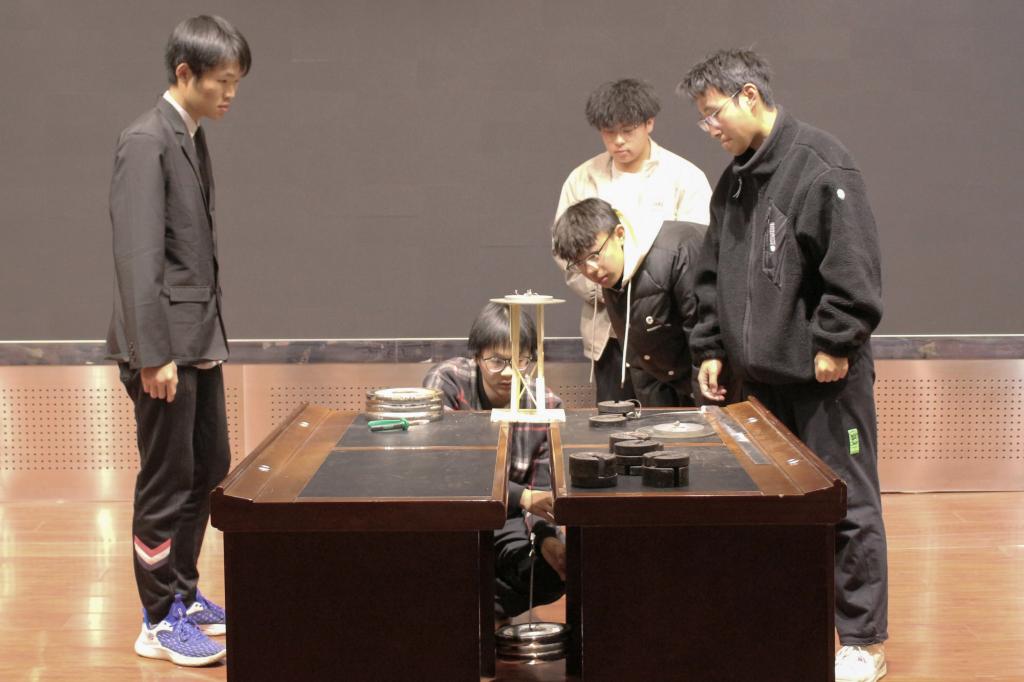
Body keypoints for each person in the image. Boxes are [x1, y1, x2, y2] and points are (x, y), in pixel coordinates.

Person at [678, 49, 888, 682]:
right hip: (759, 383)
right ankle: (784, 625)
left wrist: (835, 341)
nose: (709, 128)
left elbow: (853, 269)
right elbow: (712, 275)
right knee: (770, 506)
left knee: (847, 505)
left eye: (713, 113)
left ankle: (863, 641)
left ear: (748, 95)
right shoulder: (734, 182)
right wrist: (710, 348)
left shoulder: (821, 164)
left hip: (826, 381)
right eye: (702, 118)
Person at [106, 15, 251, 667]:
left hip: (198, 341)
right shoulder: (146, 140)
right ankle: (158, 618)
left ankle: (184, 594)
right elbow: (139, 256)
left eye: (237, 82)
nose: (231, 94)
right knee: (166, 481)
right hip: (163, 346)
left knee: (208, 467)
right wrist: (154, 352)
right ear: (185, 73)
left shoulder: (189, 135)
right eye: (222, 81)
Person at [553, 78, 712, 404]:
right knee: (616, 425)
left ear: (649, 123)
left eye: (628, 130)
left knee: (676, 426)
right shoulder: (582, 179)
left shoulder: (684, 177)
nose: (618, 141)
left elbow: (699, 256)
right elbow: (565, 251)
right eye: (608, 132)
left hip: (672, 340)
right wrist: (611, 290)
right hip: (607, 336)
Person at [423, 303, 566, 622]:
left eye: (520, 361)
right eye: (497, 361)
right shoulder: (447, 382)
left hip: (509, 519)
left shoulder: (546, 405)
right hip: (451, 512)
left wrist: (546, 539)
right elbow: (442, 466)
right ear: (477, 356)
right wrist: (521, 495)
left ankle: (476, 615)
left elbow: (541, 492)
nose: (509, 373)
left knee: (552, 572)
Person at [552, 198, 704, 406]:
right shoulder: (613, 277)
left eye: (594, 255)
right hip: (677, 382)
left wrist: (705, 408)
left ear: (619, 234)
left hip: (720, 379)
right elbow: (641, 359)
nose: (590, 270)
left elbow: (705, 335)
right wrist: (656, 418)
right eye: (579, 263)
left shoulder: (676, 251)